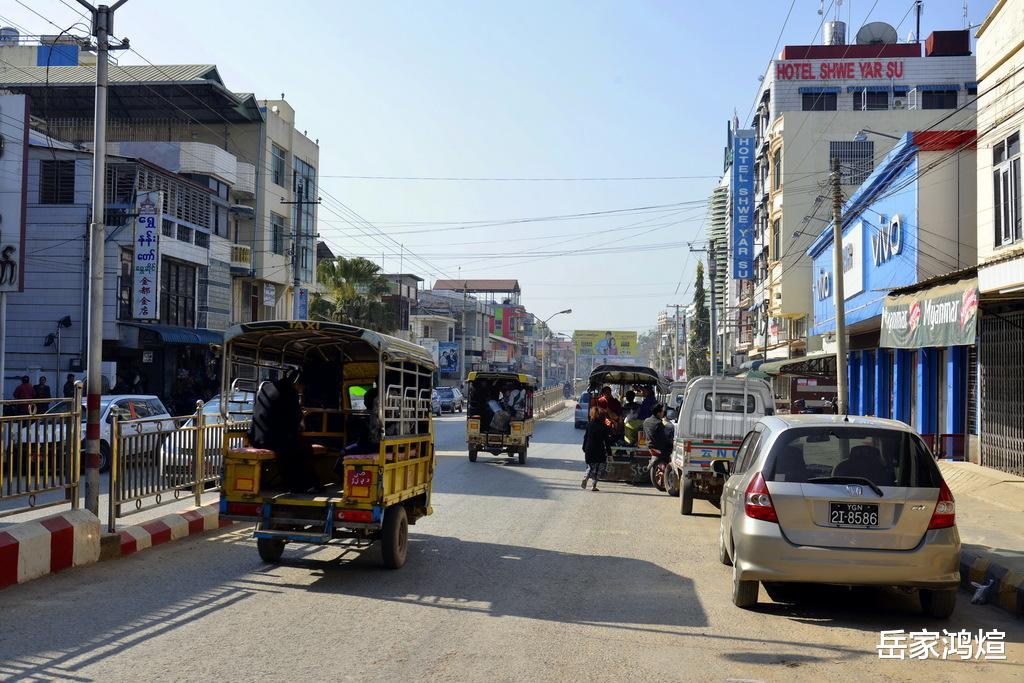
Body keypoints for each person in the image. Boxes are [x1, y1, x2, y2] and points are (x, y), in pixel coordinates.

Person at [249, 368, 318, 491]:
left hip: (256, 437)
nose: (301, 390)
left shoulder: (267, 387)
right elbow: (295, 417)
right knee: (303, 448)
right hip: (273, 440)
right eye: (301, 386)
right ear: (296, 383)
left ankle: (298, 483)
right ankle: (302, 485)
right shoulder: (289, 392)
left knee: (297, 445)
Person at [581, 396, 612, 492]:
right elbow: (607, 441)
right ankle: (593, 486)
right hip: (599, 451)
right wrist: (610, 454)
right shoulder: (604, 427)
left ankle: (586, 477)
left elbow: (585, 437)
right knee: (597, 469)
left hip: (589, 450)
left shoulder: (589, 425)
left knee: (590, 467)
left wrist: (584, 448)